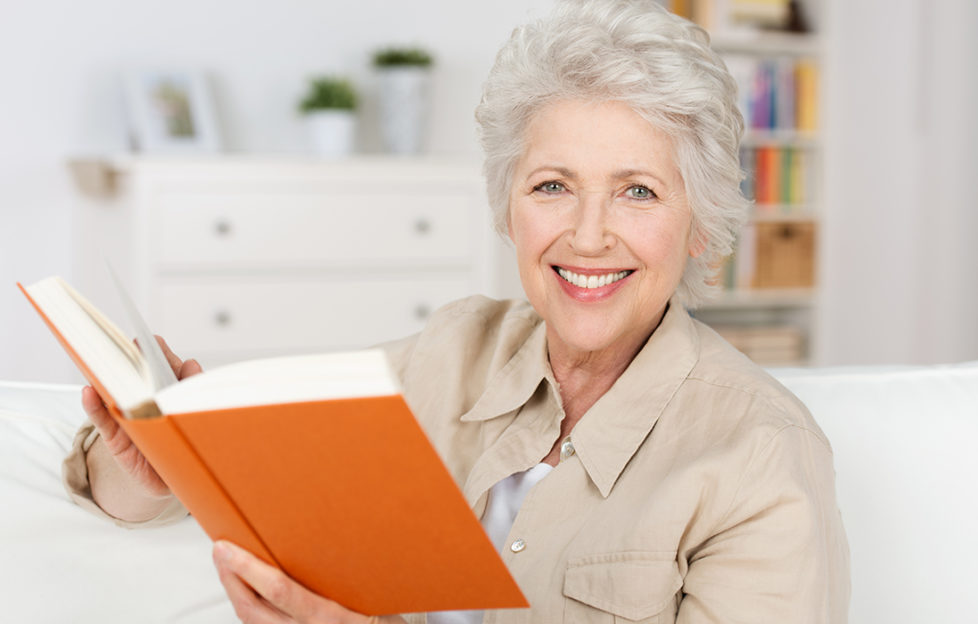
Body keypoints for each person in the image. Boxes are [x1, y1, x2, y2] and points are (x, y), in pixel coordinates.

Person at [64, 0, 850, 622]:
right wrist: (159, 467)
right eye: (552, 186)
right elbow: (161, 491)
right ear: (509, 209)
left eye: (637, 191)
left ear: (701, 225)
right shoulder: (450, 351)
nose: (586, 235)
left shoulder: (760, 456)